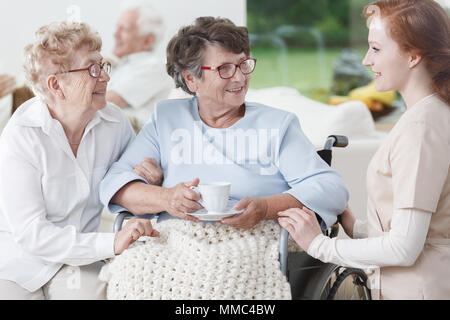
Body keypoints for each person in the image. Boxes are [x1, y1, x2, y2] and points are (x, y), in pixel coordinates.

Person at [98, 17, 349, 299]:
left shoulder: (277, 125)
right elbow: (115, 184)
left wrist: (265, 208)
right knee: (132, 269)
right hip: (176, 239)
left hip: (255, 240)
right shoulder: (167, 118)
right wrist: (165, 198)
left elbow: (331, 189)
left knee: (219, 279)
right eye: (225, 69)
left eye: (244, 64)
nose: (240, 77)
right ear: (192, 79)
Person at [278, 0, 450, 300]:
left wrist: (319, 245)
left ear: (413, 56)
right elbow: (426, 230)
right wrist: (355, 226)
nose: (365, 61)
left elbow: (405, 247)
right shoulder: (431, 114)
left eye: (376, 48)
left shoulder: (420, 128)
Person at [0, 21, 159, 300]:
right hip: (18, 260)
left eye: (103, 65)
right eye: (92, 69)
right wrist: (110, 242)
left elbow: (132, 179)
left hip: (79, 259)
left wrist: (149, 178)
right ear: (56, 84)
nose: (106, 77)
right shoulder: (22, 134)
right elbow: (31, 234)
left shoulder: (115, 123)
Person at [106, 2, 173, 131]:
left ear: (148, 41)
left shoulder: (153, 67)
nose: (115, 34)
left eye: (124, 29)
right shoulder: (118, 65)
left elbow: (105, 102)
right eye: (117, 28)